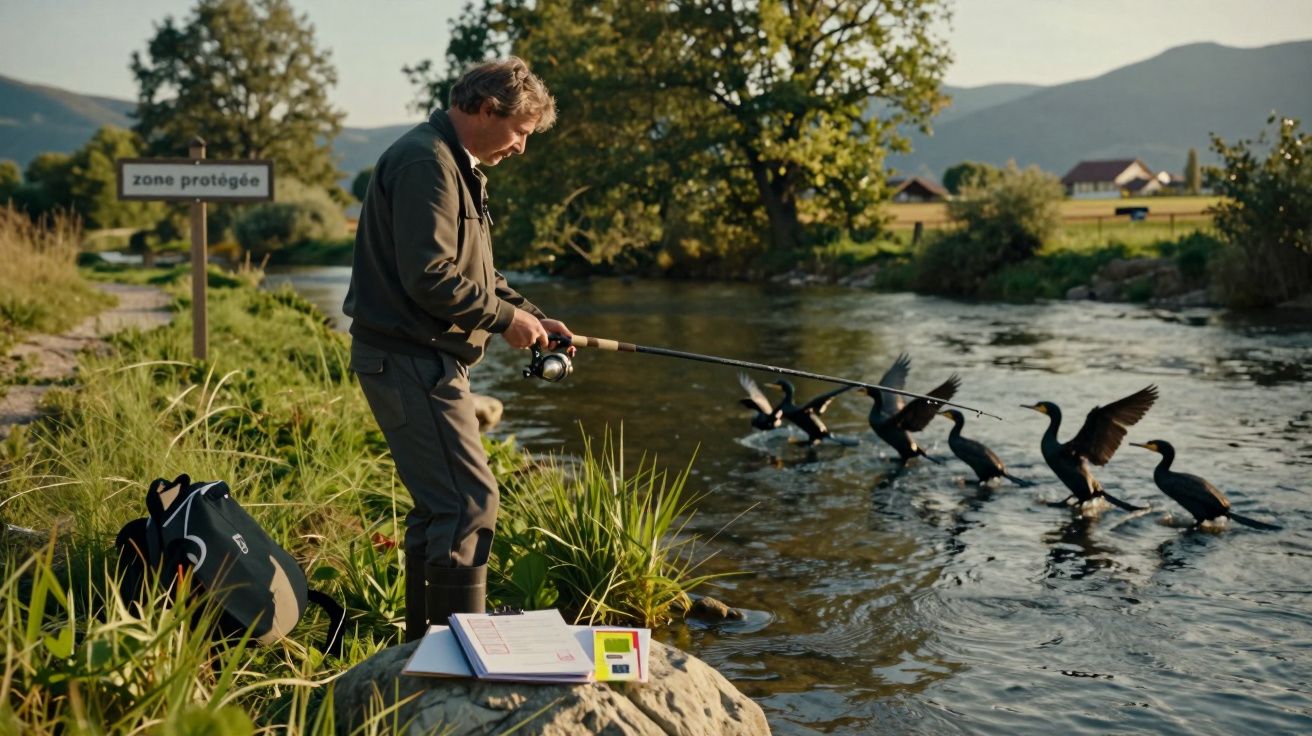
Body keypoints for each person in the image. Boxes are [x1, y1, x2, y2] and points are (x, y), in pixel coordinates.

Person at [343, 57, 571, 641]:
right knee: (469, 501)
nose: (522, 147)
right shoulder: (428, 162)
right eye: (520, 131)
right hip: (409, 359)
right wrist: (503, 322)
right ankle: (454, 653)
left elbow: (478, 274)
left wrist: (536, 318)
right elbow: (430, 277)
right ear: (487, 110)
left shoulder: (455, 164)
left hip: (422, 358)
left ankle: (427, 645)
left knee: (441, 505)